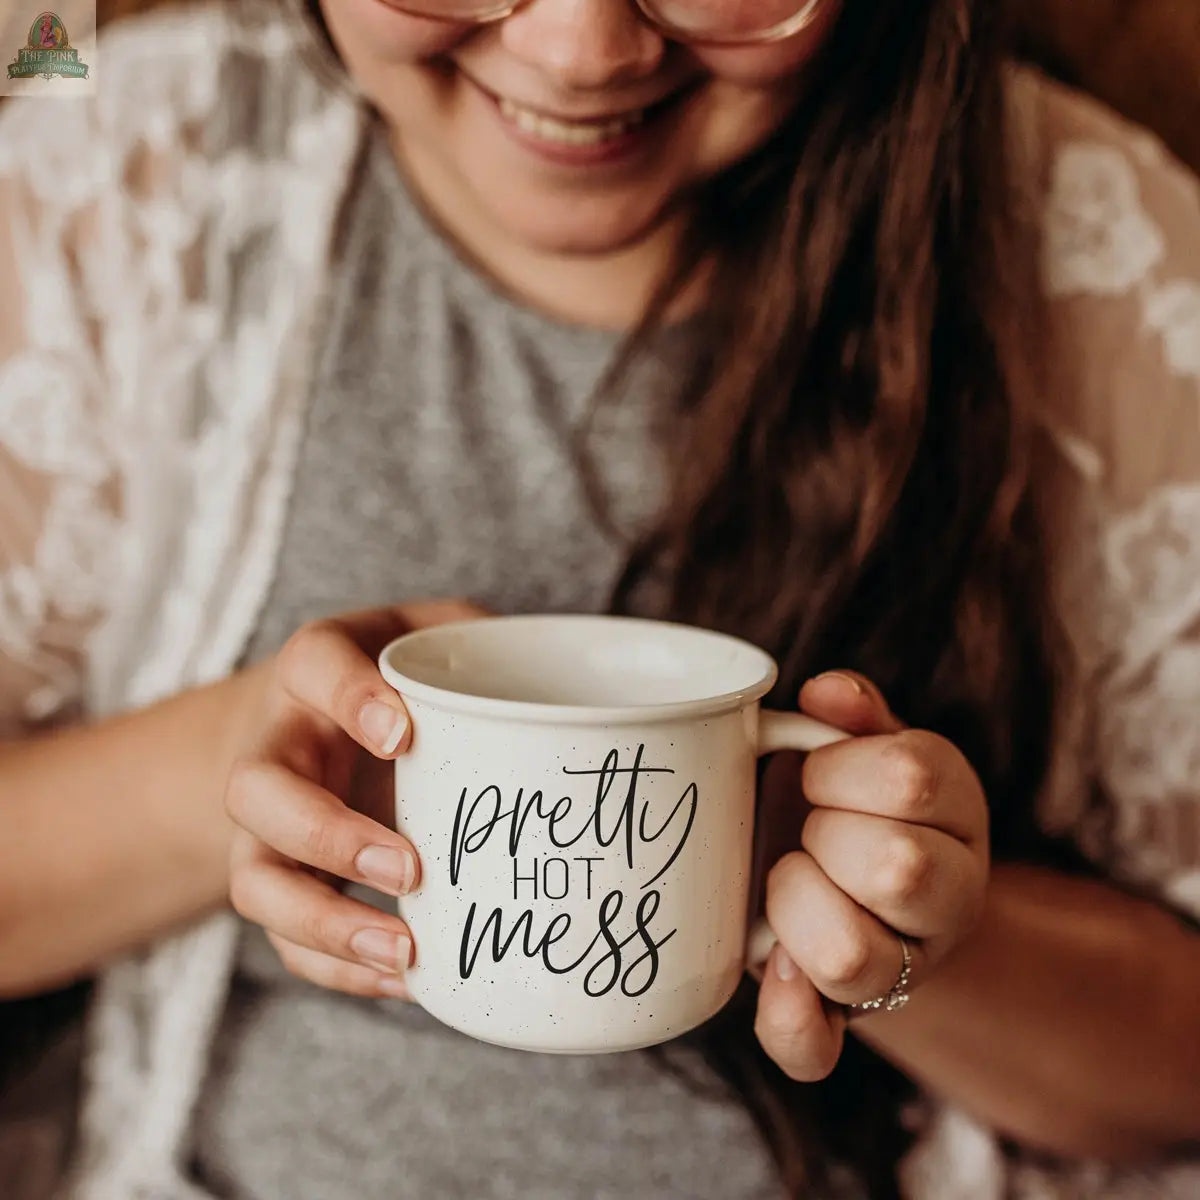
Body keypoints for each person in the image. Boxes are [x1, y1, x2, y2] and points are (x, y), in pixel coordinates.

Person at [0, 0, 1197, 1197]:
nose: (577, 53)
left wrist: (886, 923)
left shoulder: (1091, 257)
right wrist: (243, 757)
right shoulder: (124, 166)